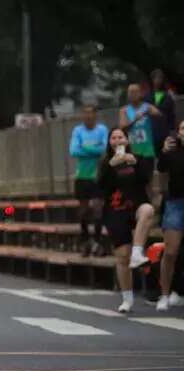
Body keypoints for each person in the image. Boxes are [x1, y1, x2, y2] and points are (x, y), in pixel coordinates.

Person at [98, 128, 155, 313]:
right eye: (113, 138)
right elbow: (100, 187)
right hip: (115, 210)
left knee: (148, 210)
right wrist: (111, 166)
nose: (117, 141)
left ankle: (138, 252)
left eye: (120, 137)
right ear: (109, 142)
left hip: (136, 206)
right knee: (122, 255)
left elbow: (146, 178)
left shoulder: (137, 158)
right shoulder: (106, 162)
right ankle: (127, 298)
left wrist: (136, 163)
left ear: (127, 140)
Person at [69, 105, 108, 257]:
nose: (88, 117)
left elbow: (103, 149)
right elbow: (73, 150)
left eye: (91, 115)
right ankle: (85, 240)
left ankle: (97, 241)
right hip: (82, 175)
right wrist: (94, 148)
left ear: (95, 116)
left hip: (97, 175)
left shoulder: (102, 130)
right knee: (83, 210)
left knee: (98, 208)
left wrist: (85, 146)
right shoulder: (78, 131)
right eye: (85, 115)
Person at [155, 120, 184, 311]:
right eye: (182, 128)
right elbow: (161, 168)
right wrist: (164, 151)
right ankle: (164, 294)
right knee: (171, 251)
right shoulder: (172, 150)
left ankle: (178, 292)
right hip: (176, 202)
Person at [119, 83, 162, 178]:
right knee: (134, 180)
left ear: (140, 94)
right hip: (132, 151)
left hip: (147, 151)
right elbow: (122, 127)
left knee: (148, 179)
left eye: (135, 92)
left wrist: (151, 112)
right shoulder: (124, 110)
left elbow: (159, 114)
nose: (132, 94)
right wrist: (135, 119)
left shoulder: (147, 107)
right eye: (130, 92)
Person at [146, 69, 176, 144]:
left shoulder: (168, 96)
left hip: (165, 131)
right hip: (151, 132)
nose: (158, 80)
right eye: (155, 78)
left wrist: (172, 132)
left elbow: (171, 115)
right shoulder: (147, 97)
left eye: (160, 78)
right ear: (152, 80)